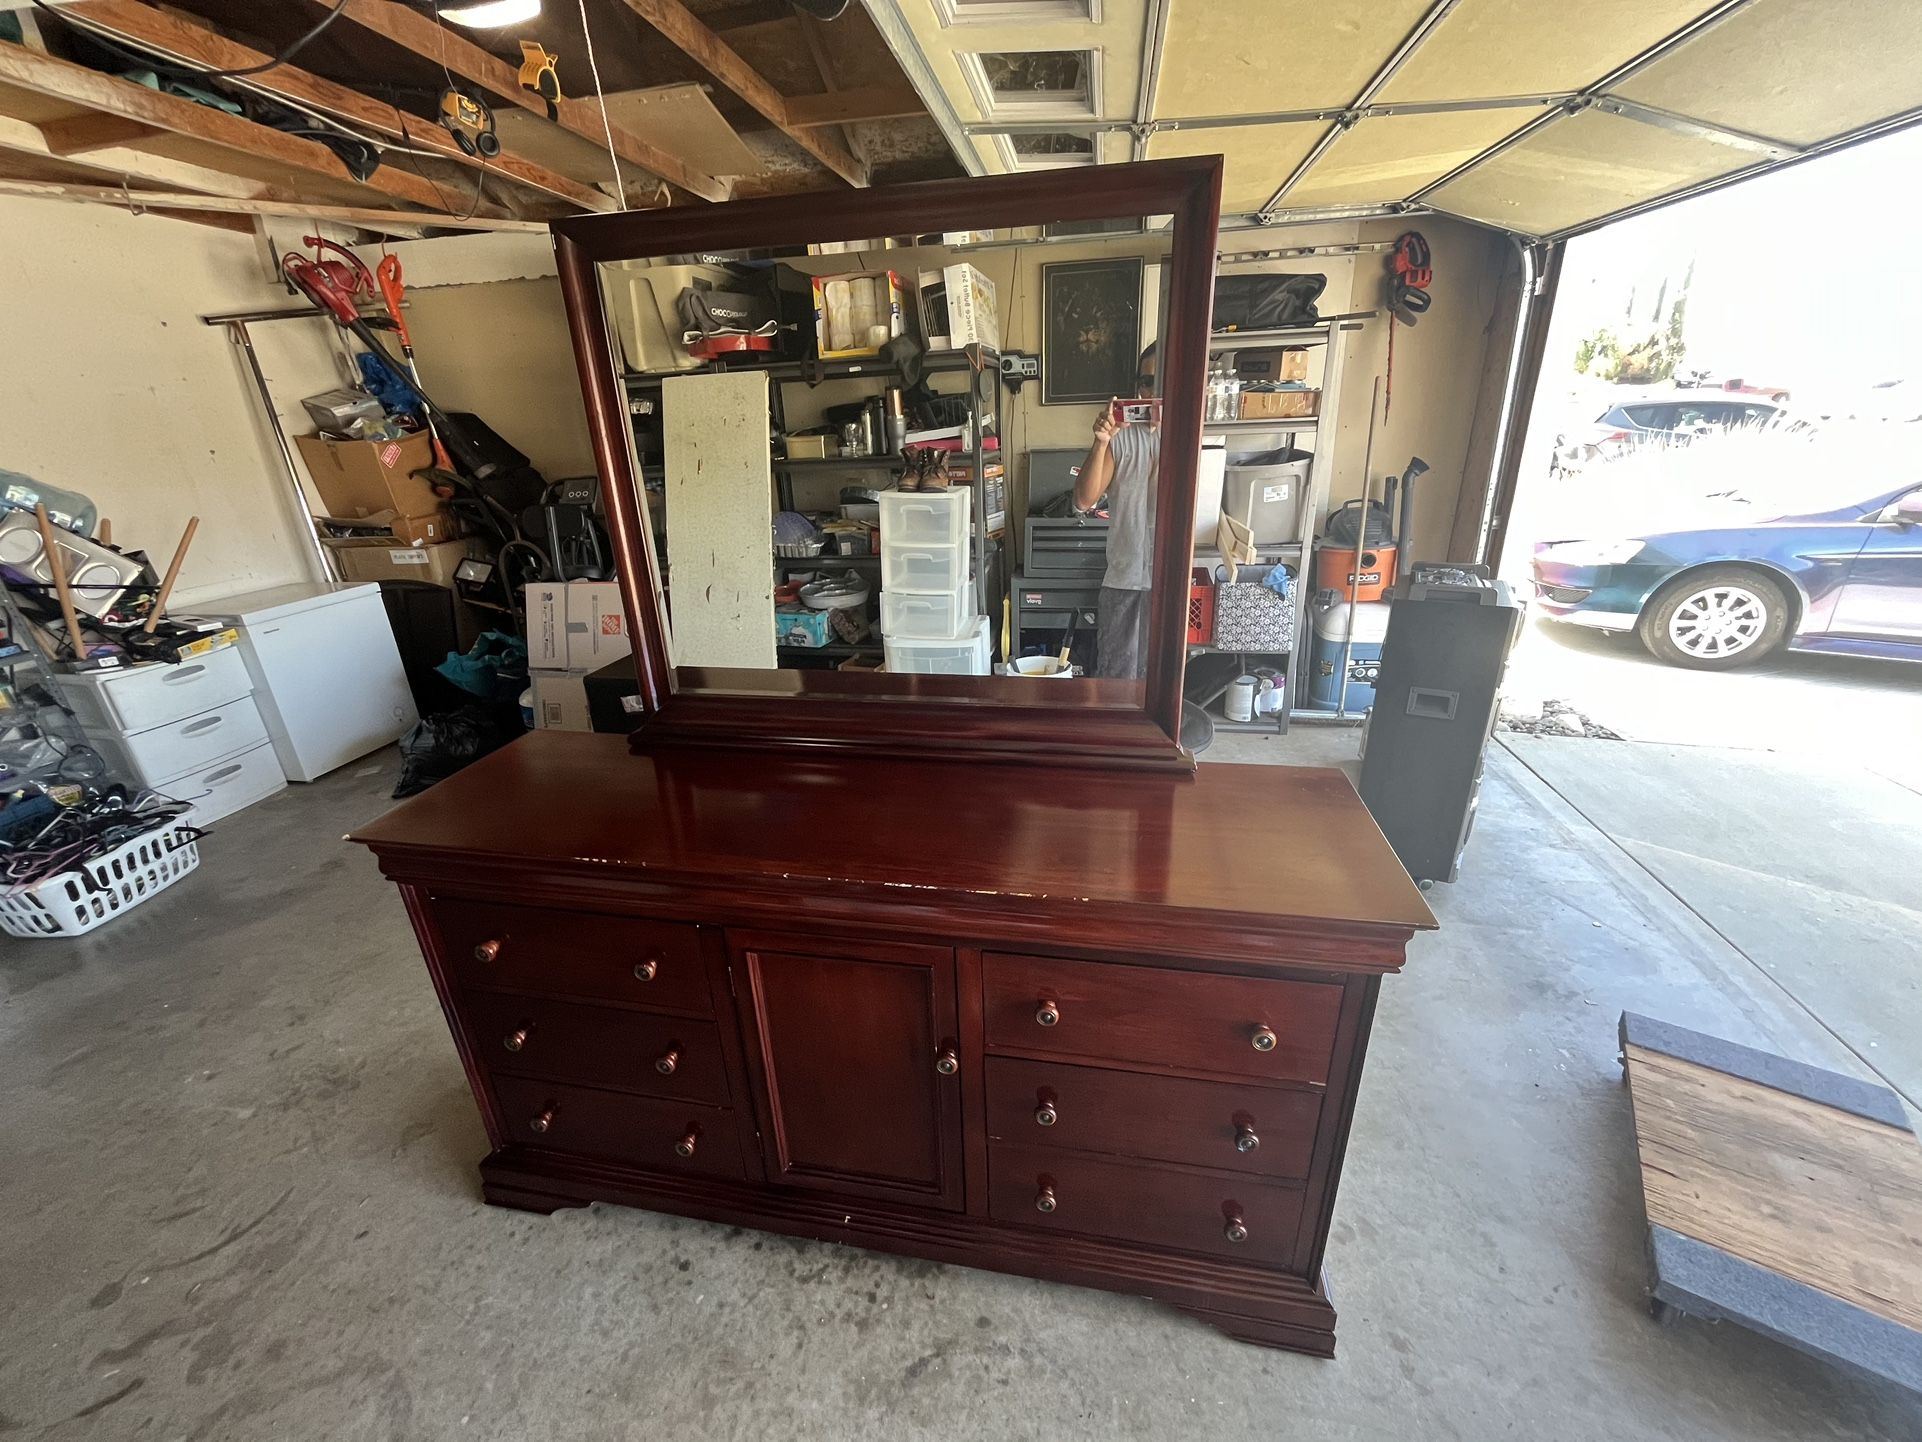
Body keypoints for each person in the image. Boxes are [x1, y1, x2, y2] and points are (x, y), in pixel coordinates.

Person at [1075, 342, 1159, 679]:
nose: (1152, 390)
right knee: (1116, 687)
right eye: (1146, 381)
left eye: (1161, 380)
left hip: (1175, 583)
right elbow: (1083, 501)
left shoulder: (1196, 433)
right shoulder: (1122, 437)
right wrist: (1101, 441)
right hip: (1124, 580)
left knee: (1167, 688)